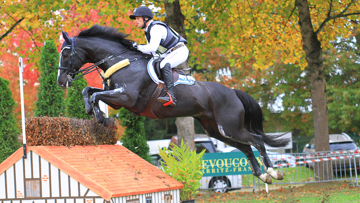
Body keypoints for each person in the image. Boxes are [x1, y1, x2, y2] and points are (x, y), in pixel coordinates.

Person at [129, 6, 189, 107]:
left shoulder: (155, 28)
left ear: (146, 18)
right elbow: (153, 53)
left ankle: (170, 95)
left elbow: (152, 48)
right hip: (169, 53)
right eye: (136, 19)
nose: (136, 21)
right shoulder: (148, 31)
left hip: (179, 50)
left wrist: (138, 47)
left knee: (164, 64)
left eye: (138, 18)